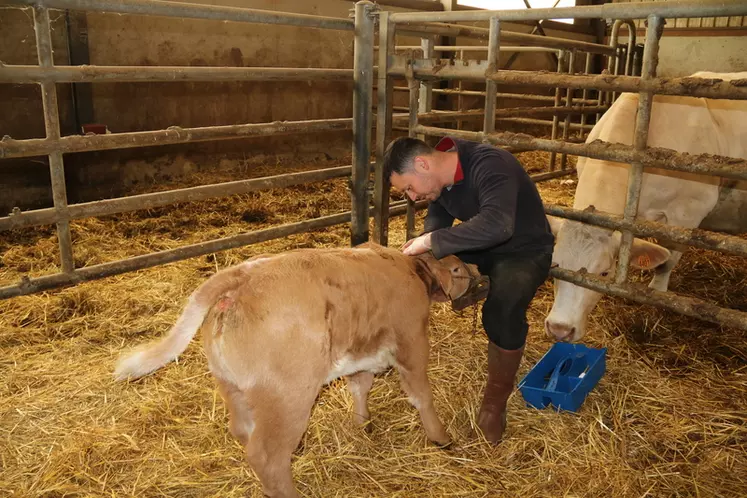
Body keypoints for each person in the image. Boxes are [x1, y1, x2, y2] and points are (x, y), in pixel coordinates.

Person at [383, 136, 554, 444]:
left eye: (408, 188)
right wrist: (427, 247)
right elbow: (438, 220)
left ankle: (494, 404)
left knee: (501, 311)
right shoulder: (440, 181)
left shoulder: (490, 164)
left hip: (524, 250)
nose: (411, 197)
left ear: (422, 164)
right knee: (421, 268)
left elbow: (499, 224)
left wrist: (432, 243)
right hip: (480, 245)